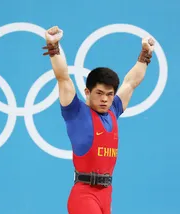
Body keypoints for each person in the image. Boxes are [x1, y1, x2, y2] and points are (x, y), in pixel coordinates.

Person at [42, 26, 155, 214]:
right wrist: (53, 46)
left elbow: (131, 82)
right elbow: (62, 77)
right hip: (84, 196)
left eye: (109, 95)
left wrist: (145, 54)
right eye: (99, 93)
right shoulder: (76, 112)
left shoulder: (114, 110)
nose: (104, 99)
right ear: (87, 92)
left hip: (106, 196)